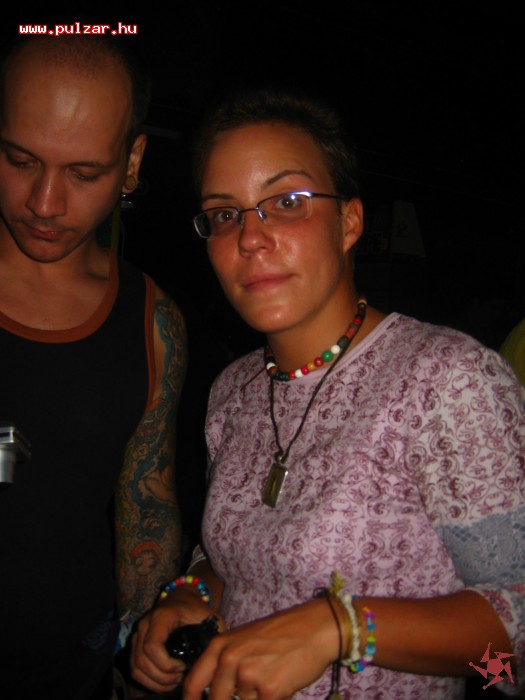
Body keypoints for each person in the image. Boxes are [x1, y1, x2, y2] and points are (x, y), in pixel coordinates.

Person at [129, 86, 525, 700]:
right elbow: (227, 558)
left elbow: (513, 645)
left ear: (350, 222)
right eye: (225, 214)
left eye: (286, 202)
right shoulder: (234, 390)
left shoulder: (447, 380)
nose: (250, 237)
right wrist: (192, 595)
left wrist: (343, 627)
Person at [0, 34, 188, 700]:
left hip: (70, 675)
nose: (45, 203)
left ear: (131, 163)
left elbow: (147, 512)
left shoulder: (151, 321)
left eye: (83, 174)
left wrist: (142, 659)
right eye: (20, 160)